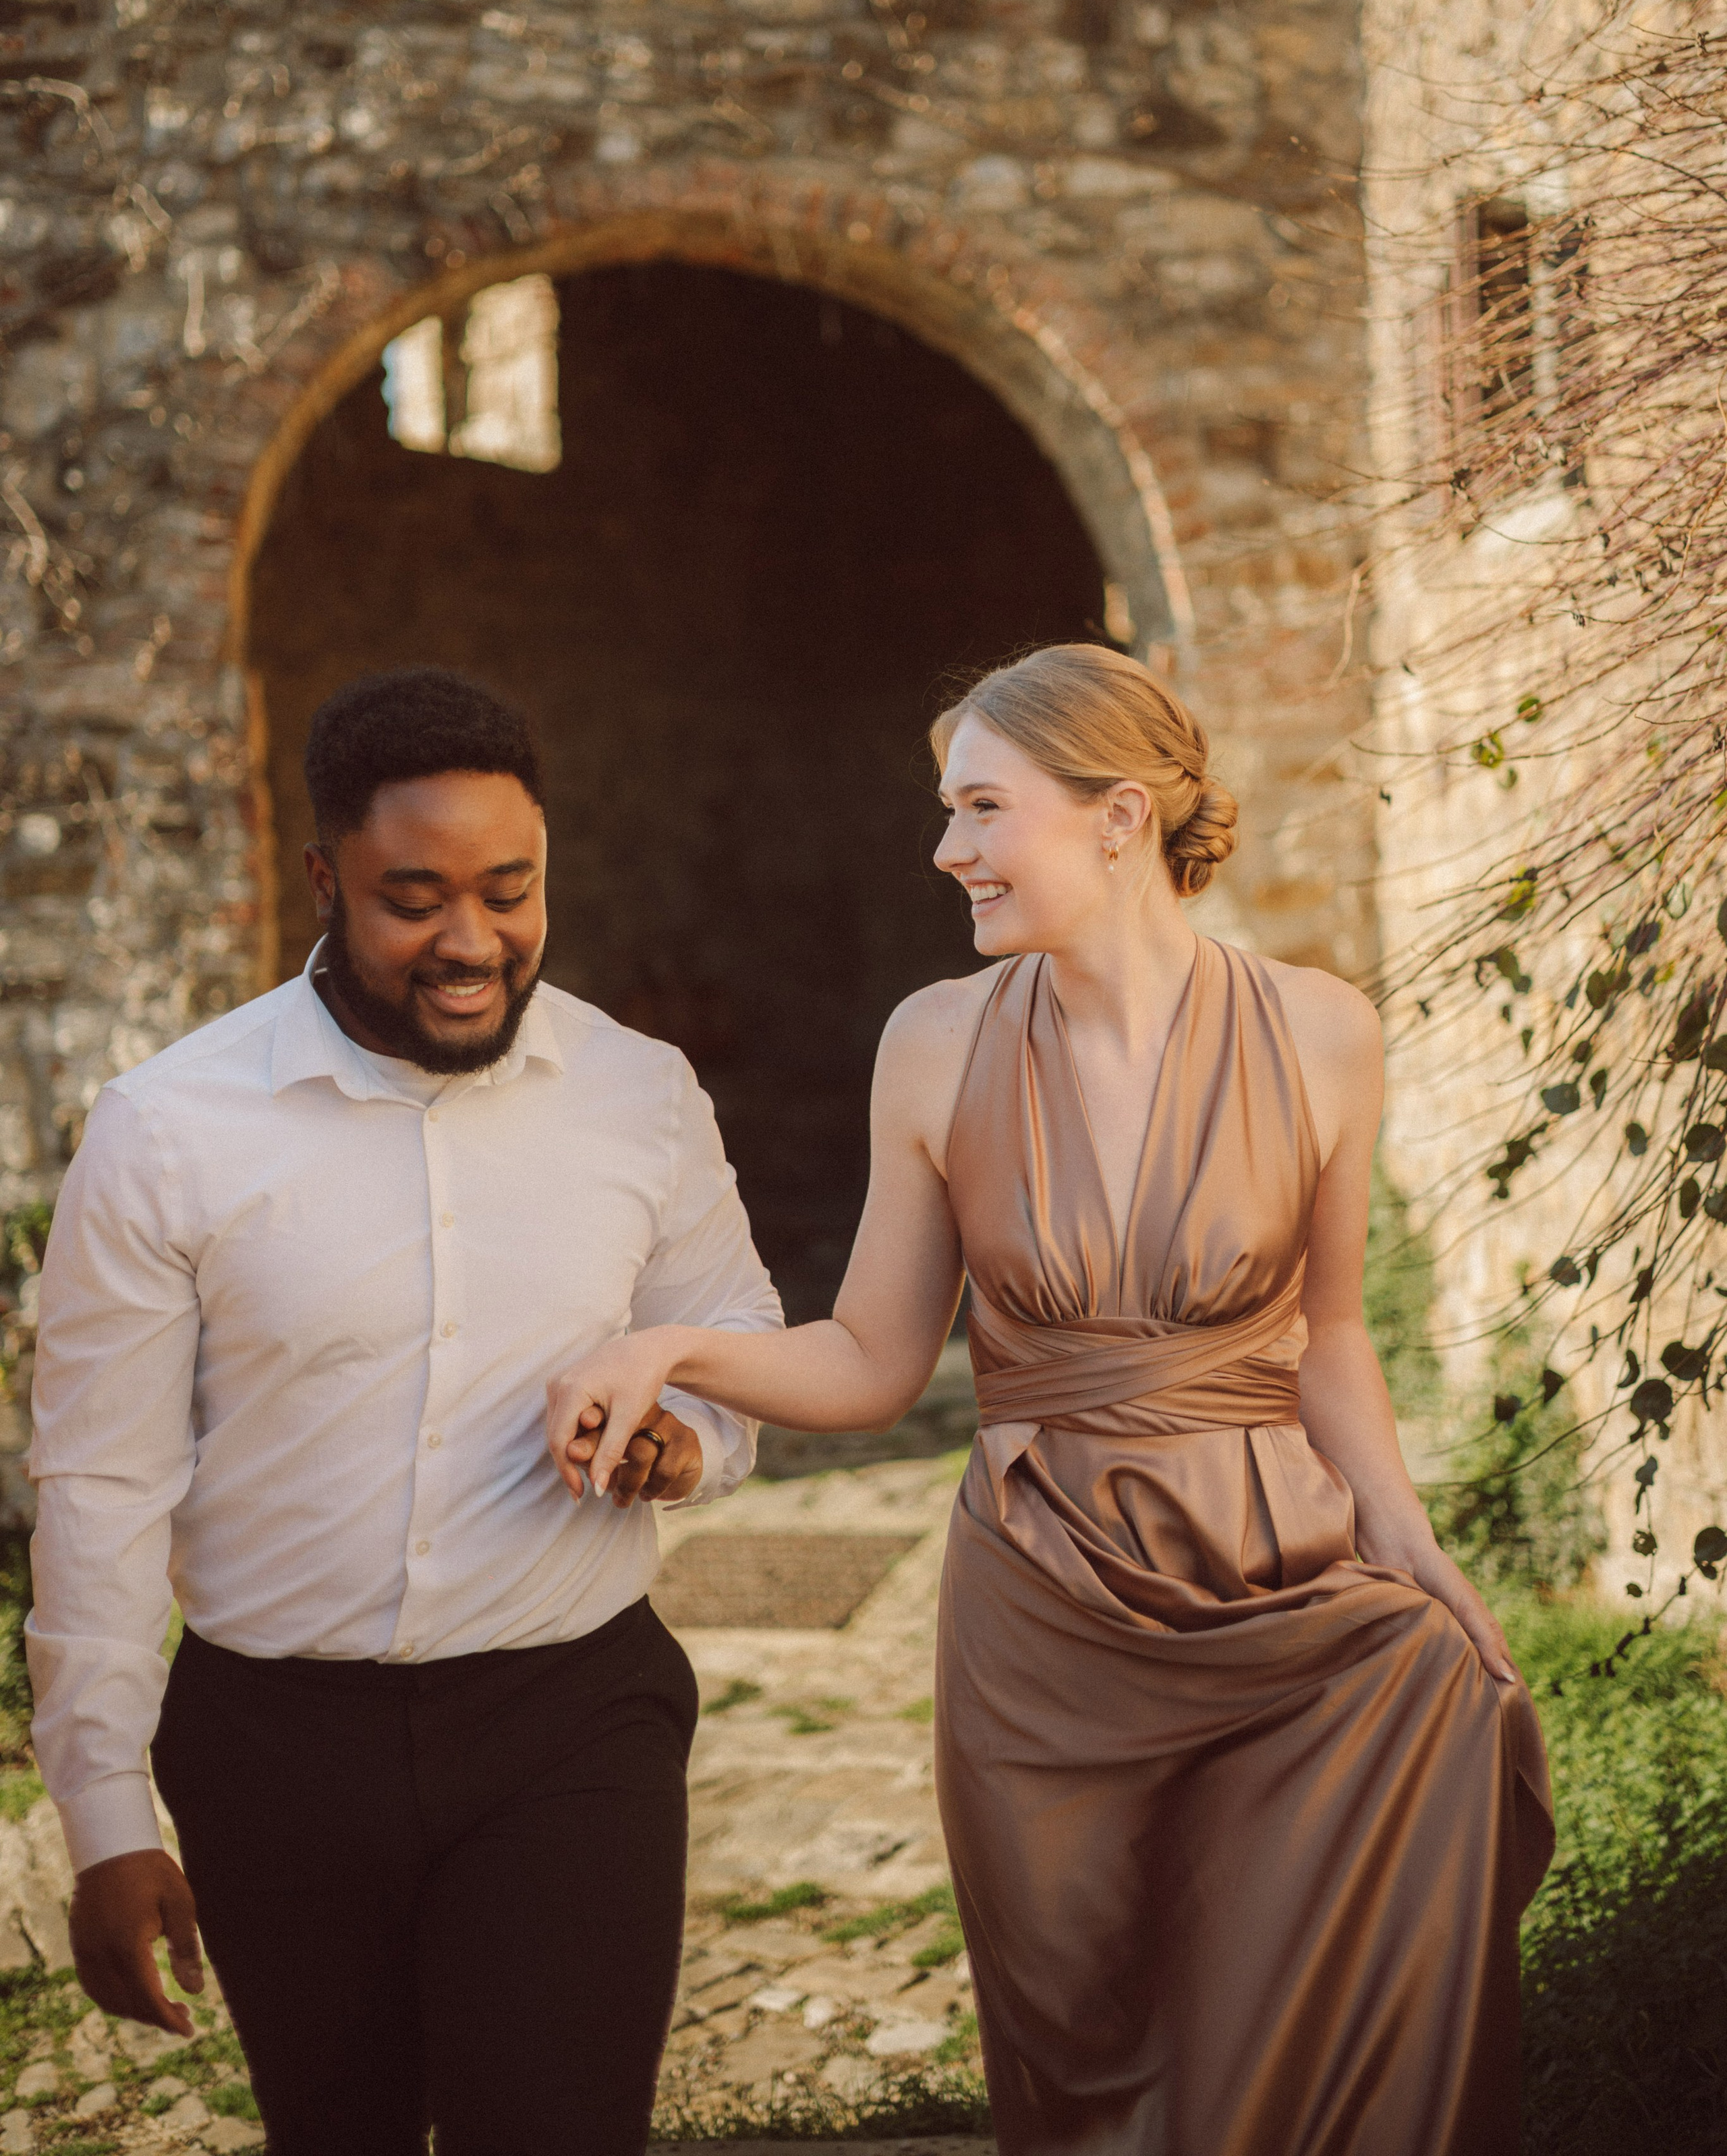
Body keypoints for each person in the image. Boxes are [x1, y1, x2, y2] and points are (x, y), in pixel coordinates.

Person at [555, 641, 1554, 2156]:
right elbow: (875, 1360)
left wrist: (1403, 1543)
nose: (944, 850)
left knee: (1394, 1815)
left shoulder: (1322, 1032)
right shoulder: (936, 1043)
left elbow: (1331, 1334)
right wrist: (664, 1353)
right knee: (1088, 2049)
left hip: (1276, 1580)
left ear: (1117, 815)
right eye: (946, 813)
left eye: (978, 809)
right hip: (1044, 1615)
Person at [27, 666, 783, 2156]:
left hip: (573, 1716)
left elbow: (733, 1335)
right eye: (413, 897)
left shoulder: (639, 1092)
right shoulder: (166, 1131)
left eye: (511, 890)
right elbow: (101, 1484)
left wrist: (688, 1443)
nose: (471, 942)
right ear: (321, 876)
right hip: (273, 1744)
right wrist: (107, 1816)